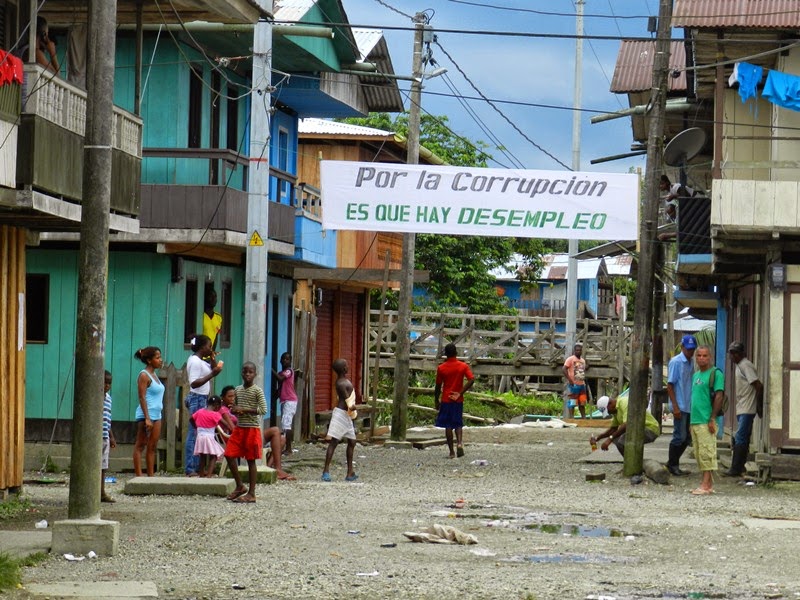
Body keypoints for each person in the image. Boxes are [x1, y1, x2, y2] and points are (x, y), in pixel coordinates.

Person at [224, 362, 266, 503]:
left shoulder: (257, 391)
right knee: (229, 454)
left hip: (252, 429)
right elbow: (234, 407)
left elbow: (263, 410)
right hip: (240, 428)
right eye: (245, 371)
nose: (248, 374)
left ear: (255, 374)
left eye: (251, 372)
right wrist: (234, 409)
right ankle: (240, 485)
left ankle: (252, 493)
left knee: (250, 460)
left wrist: (245, 410)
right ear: (241, 373)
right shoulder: (238, 390)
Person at [184, 334, 223, 477]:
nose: (211, 348)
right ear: (202, 347)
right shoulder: (194, 361)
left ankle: (197, 468)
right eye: (209, 346)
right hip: (197, 398)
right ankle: (190, 468)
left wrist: (213, 359)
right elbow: (194, 383)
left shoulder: (201, 361)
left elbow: (213, 369)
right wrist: (212, 374)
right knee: (194, 433)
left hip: (202, 398)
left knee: (199, 434)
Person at [723, 341, 764, 477]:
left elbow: (758, 385)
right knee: (743, 437)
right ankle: (740, 467)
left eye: (734, 353)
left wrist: (758, 406)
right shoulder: (740, 366)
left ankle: (735, 468)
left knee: (740, 437)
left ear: (741, 354)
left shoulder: (745, 365)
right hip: (742, 407)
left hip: (747, 407)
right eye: (731, 353)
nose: (732, 356)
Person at [689, 345, 725, 495]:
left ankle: (705, 484)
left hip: (706, 419)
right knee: (698, 453)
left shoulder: (715, 374)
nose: (702, 358)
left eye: (705, 356)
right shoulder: (696, 375)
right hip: (695, 419)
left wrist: (712, 418)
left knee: (707, 452)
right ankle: (707, 484)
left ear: (710, 357)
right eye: (699, 356)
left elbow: (719, 396)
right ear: (695, 358)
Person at [434, 343, 475, 458]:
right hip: (458, 399)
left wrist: (436, 400)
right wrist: (460, 393)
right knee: (458, 423)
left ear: (445, 354)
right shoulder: (463, 366)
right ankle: (460, 443)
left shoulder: (441, 368)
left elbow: (437, 386)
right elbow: (471, 379)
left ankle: (451, 452)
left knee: (448, 425)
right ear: (456, 353)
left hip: (446, 399)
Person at [321, 358, 359, 482]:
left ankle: (350, 472)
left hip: (347, 416)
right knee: (334, 442)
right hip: (341, 414)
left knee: (352, 442)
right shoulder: (341, 383)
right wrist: (353, 407)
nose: (348, 366)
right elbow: (347, 400)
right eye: (347, 365)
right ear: (344, 369)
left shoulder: (343, 381)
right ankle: (325, 471)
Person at [666, 334, 697, 477]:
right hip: (680, 403)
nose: (690, 352)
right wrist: (675, 406)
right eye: (688, 349)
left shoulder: (691, 362)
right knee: (679, 436)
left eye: (692, 349)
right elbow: (670, 385)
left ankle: (673, 462)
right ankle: (673, 464)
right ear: (682, 347)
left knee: (687, 437)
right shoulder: (676, 362)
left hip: (688, 404)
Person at [133, 346, 165, 477]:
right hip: (146, 415)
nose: (161, 360)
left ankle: (151, 477)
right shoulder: (144, 375)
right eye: (157, 358)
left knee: (152, 447)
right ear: (149, 360)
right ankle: (139, 476)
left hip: (157, 415)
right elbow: (142, 397)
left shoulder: (154, 375)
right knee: (140, 445)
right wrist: (147, 418)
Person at [592, 393, 660, 455]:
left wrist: (610, 439)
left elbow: (627, 424)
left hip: (650, 428)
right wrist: (598, 438)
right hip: (638, 428)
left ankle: (632, 464)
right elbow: (613, 429)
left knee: (622, 440)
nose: (609, 413)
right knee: (617, 439)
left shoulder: (624, 402)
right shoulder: (616, 411)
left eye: (608, 411)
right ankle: (629, 464)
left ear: (610, 403)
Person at [192, 395, 234, 478]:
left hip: (200, 436)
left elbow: (191, 419)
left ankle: (201, 474)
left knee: (202, 456)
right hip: (209, 437)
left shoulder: (200, 411)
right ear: (217, 405)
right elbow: (227, 424)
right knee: (214, 455)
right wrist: (226, 428)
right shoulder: (215, 414)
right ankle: (209, 475)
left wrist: (196, 427)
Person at [273, 352, 300, 455]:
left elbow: (280, 379)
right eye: (283, 359)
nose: (285, 361)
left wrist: (271, 370)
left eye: (287, 359)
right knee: (285, 425)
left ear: (290, 361)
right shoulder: (281, 372)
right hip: (285, 400)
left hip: (290, 400)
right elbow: (280, 386)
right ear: (280, 361)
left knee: (286, 425)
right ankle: (286, 447)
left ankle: (289, 448)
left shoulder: (289, 371)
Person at [101, 370, 116, 503]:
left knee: (103, 466)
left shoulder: (108, 399)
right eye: (104, 382)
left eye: (109, 383)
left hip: (105, 436)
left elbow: (108, 420)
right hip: (95, 438)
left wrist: (111, 437)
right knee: (95, 466)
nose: (106, 385)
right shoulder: (94, 398)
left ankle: (102, 492)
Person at [563, 343, 588, 419]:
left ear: (581, 351)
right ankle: (572, 418)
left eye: (580, 350)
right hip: (574, 384)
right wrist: (569, 379)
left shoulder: (583, 360)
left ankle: (583, 417)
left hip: (581, 384)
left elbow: (581, 370)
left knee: (582, 402)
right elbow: (564, 369)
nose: (578, 351)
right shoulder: (570, 359)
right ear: (574, 351)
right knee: (573, 401)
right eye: (577, 350)